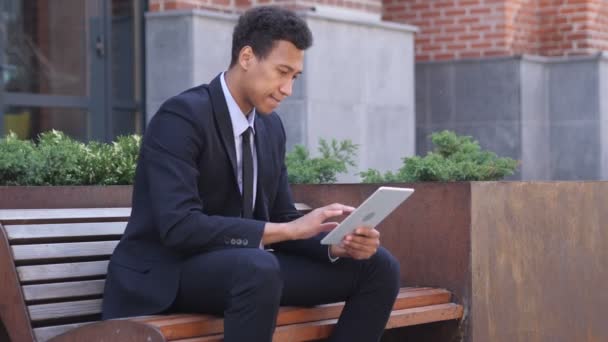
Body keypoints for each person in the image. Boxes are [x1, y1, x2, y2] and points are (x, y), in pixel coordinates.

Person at [102, 6, 400, 341]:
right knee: (257, 269)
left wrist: (336, 245)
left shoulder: (270, 129)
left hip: (242, 269)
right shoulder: (181, 117)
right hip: (166, 273)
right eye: (281, 72)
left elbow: (283, 216)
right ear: (247, 57)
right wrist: (286, 230)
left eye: (294, 77)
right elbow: (179, 227)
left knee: (378, 267)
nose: (287, 88)